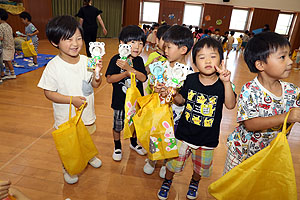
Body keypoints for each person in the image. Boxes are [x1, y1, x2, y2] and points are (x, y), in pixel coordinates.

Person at [156, 37, 236, 200]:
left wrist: (227, 83)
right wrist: (172, 93)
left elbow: (230, 105)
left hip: (207, 139)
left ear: (221, 60)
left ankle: (194, 182)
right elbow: (181, 101)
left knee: (200, 168)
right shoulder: (190, 79)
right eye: (201, 57)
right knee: (173, 163)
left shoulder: (224, 84)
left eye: (213, 56)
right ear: (194, 63)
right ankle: (167, 181)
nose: (207, 60)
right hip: (183, 135)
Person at [37, 15, 103, 184]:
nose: (75, 44)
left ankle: (88, 156)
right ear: (55, 42)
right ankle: (68, 167)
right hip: (66, 117)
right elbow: (49, 93)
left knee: (86, 138)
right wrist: (71, 99)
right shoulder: (53, 66)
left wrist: (96, 73)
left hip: (86, 113)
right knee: (69, 145)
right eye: (68, 39)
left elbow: (95, 84)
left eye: (79, 38)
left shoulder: (88, 61)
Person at [223, 32, 300, 174]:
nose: (290, 61)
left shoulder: (292, 91)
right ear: (260, 64)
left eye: (289, 56)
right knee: (232, 189)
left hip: (269, 155)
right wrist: (287, 117)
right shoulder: (250, 90)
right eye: (282, 57)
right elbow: (251, 124)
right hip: (241, 154)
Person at [144, 25, 195, 178]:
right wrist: (156, 86)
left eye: (169, 47)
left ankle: (167, 162)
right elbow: (152, 84)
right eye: (164, 47)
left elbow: (182, 101)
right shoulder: (161, 66)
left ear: (183, 49)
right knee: (154, 136)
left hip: (176, 116)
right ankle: (152, 159)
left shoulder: (189, 75)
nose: (165, 50)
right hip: (157, 112)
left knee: (170, 140)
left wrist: (172, 93)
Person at [105, 25, 148, 162]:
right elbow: (109, 78)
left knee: (134, 125)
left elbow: (143, 78)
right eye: (133, 42)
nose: (137, 46)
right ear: (122, 44)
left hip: (136, 101)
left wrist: (130, 69)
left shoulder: (139, 60)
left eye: (141, 43)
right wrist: (124, 74)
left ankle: (133, 143)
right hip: (120, 101)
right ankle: (117, 147)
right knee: (118, 126)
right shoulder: (116, 59)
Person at [144, 24, 170, 94]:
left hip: (166, 91)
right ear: (157, 41)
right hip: (152, 91)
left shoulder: (172, 58)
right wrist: (151, 64)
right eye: (165, 40)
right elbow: (145, 72)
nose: (167, 44)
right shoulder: (153, 55)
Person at [0, 8, 15, 80]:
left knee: (8, 61)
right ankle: (8, 72)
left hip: (6, 46)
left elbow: (1, 38)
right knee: (6, 60)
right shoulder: (8, 25)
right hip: (11, 46)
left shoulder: (1, 26)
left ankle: (12, 74)